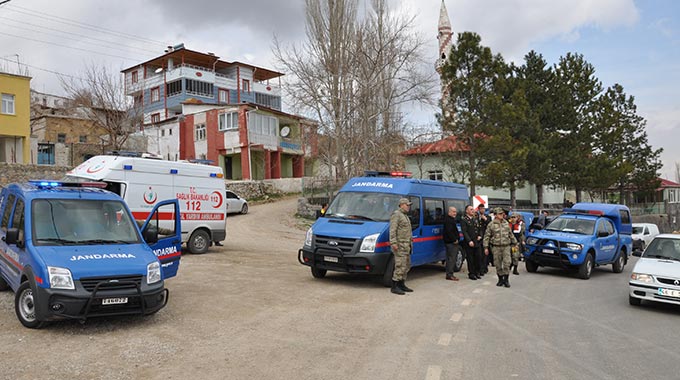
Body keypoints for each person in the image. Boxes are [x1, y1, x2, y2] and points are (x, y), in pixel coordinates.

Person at [483, 207, 518, 288]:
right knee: (498, 264)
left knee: (507, 263)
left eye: (502, 213)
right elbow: (486, 236)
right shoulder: (491, 225)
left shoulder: (506, 223)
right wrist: (486, 247)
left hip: (506, 246)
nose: (502, 215)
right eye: (500, 214)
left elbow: (510, 234)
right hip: (496, 247)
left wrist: (515, 243)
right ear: (495, 215)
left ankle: (506, 279)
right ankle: (500, 279)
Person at [389, 198, 413, 295]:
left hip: (407, 245)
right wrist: (393, 243)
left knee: (406, 265)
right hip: (400, 245)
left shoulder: (405, 216)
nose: (409, 207)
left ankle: (401, 284)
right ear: (402, 205)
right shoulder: (397, 215)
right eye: (407, 205)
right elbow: (392, 230)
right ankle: (394, 286)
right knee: (400, 265)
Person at [460, 205, 483, 280]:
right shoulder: (464, 220)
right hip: (469, 242)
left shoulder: (475, 219)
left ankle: (477, 272)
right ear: (467, 211)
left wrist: (480, 235)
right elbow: (465, 231)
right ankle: (472, 273)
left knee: (478, 257)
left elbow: (480, 228)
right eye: (471, 209)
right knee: (470, 259)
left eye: (473, 209)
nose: (473, 211)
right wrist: (469, 241)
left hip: (477, 241)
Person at [443, 206, 460, 281]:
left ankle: (449, 273)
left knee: (450, 258)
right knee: (451, 259)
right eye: (453, 212)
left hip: (450, 242)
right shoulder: (449, 220)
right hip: (451, 242)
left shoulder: (451, 219)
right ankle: (450, 274)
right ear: (449, 212)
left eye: (455, 212)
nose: (455, 213)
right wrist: (454, 239)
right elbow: (449, 232)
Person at [477, 204, 490, 273]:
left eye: (483, 208)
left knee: (485, 254)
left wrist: (485, 219)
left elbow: (490, 225)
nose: (482, 210)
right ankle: (480, 268)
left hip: (486, 237)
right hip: (479, 237)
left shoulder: (488, 217)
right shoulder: (476, 216)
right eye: (481, 208)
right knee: (479, 254)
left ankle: (484, 267)